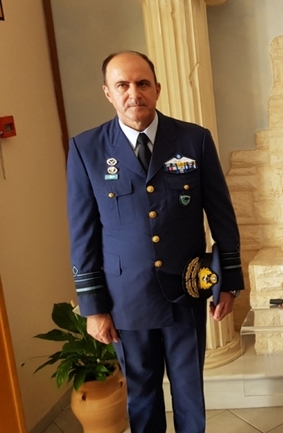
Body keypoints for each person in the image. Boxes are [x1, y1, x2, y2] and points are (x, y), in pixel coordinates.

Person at [66, 51, 244, 433]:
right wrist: (93, 307)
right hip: (126, 298)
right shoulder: (87, 149)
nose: (134, 93)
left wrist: (228, 281)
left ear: (157, 89)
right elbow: (82, 232)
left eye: (142, 83)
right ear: (108, 93)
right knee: (142, 397)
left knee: (189, 393)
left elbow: (222, 216)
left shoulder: (194, 140)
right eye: (123, 85)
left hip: (185, 291)